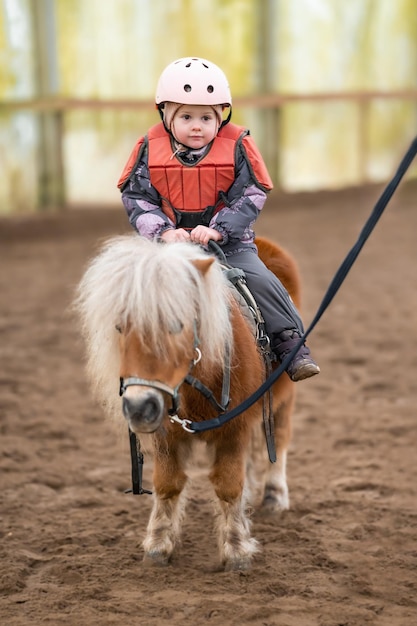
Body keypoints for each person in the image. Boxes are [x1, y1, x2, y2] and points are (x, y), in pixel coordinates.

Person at [117, 57, 320, 382]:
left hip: (230, 245)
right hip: (167, 248)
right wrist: (163, 231)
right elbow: (136, 197)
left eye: (206, 117)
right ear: (166, 116)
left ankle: (291, 343)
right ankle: (132, 358)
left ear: (221, 117)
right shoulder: (147, 150)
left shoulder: (238, 146)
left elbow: (253, 192)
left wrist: (218, 229)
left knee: (262, 280)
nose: (197, 126)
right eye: (186, 116)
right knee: (132, 287)